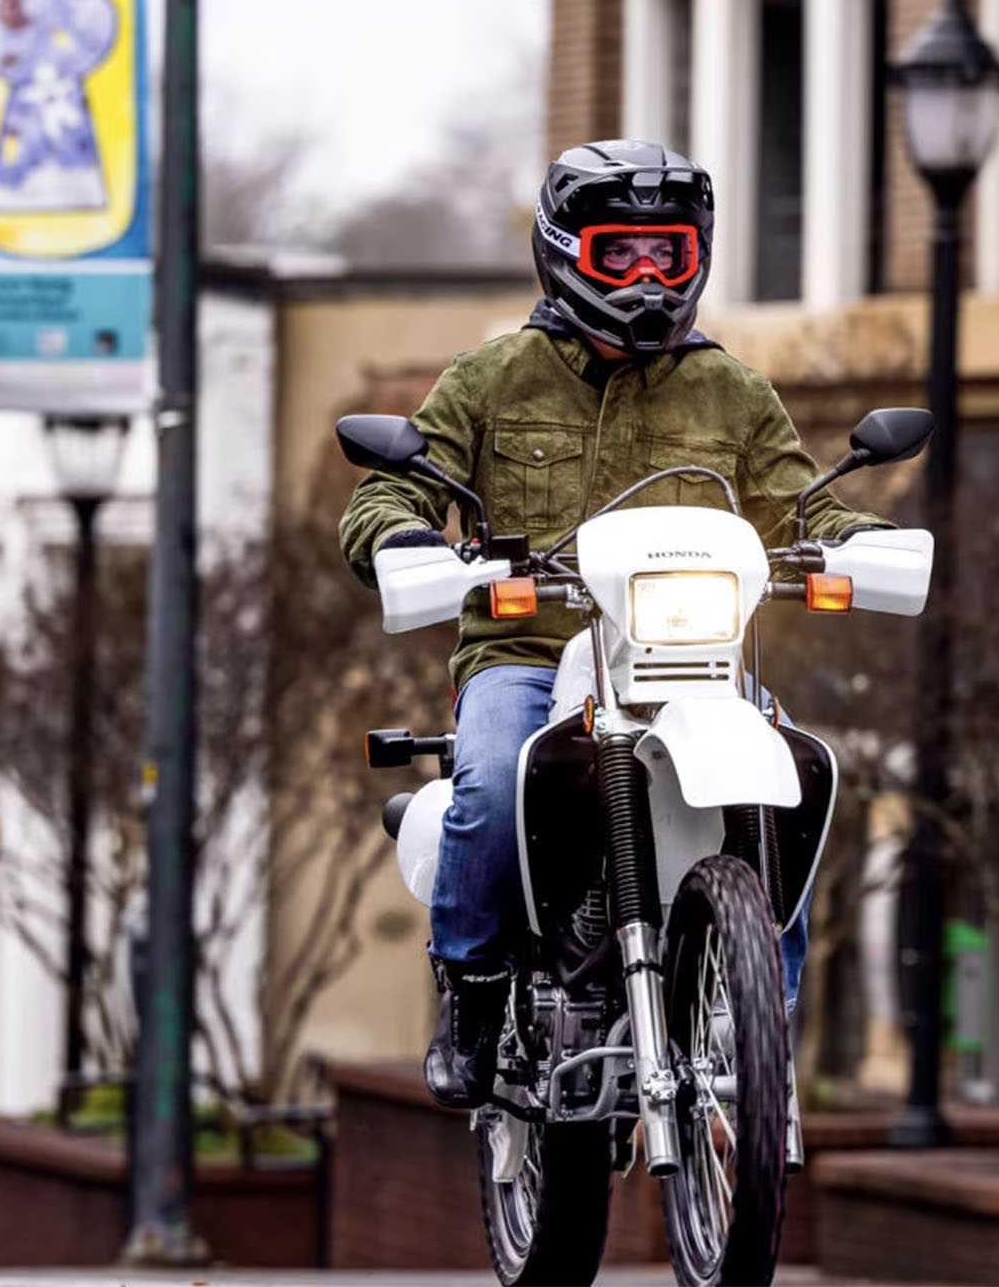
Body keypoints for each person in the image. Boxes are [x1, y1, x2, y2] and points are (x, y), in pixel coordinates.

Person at [340, 140, 890, 1109]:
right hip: (528, 653)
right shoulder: (491, 378)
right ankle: (468, 997)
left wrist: (859, 542)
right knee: (494, 782)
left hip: (695, 664)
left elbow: (800, 512)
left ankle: (763, 1032)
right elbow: (391, 487)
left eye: (667, 256)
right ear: (563, 251)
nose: (645, 278)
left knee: (793, 777)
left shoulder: (735, 393)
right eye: (619, 254)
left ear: (698, 257)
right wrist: (403, 538)